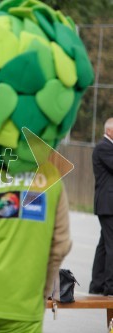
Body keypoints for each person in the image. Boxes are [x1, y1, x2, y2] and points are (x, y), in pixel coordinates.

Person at [90, 118, 113, 296]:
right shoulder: (104, 147)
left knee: (104, 245)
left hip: (107, 204)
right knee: (111, 245)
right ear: (110, 131)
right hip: (108, 204)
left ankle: (97, 284)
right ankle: (110, 286)